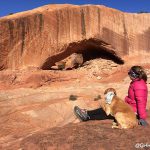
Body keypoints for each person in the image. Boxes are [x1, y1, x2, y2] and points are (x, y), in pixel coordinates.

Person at [74, 66, 149, 126]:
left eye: (129, 73)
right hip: (129, 107)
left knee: (108, 111)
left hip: (132, 111)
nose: (128, 74)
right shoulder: (136, 83)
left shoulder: (139, 85)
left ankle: (87, 116)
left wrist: (142, 118)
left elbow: (141, 102)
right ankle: (87, 114)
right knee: (107, 106)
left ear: (134, 75)